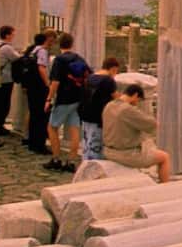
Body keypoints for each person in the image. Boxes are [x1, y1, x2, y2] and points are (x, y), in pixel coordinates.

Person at [102, 84, 171, 182]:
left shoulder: (109, 105)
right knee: (164, 157)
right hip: (124, 154)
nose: (137, 103)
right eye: (138, 100)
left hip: (108, 150)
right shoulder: (128, 110)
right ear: (135, 95)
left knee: (147, 142)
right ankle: (165, 188)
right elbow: (152, 124)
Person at [44, 32, 88, 170]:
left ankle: (56, 158)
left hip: (63, 99)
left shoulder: (59, 60)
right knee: (75, 129)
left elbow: (55, 82)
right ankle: (71, 161)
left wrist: (49, 99)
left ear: (59, 44)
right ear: (72, 44)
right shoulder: (80, 59)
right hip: (77, 98)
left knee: (52, 127)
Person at [77, 57, 123, 163]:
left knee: (86, 143)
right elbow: (116, 97)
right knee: (96, 146)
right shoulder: (108, 80)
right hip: (99, 117)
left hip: (86, 115)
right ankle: (94, 168)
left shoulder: (90, 77)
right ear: (113, 69)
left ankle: (85, 164)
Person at [20, 32, 54, 156]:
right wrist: (48, 84)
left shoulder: (32, 50)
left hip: (31, 87)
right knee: (41, 115)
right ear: (46, 40)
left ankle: (32, 142)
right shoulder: (42, 52)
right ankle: (39, 145)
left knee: (34, 114)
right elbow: (41, 68)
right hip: (39, 87)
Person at [0, 26, 22, 140]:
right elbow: (17, 58)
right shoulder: (7, 48)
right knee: (4, 103)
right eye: (12, 34)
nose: (14, 36)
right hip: (6, 79)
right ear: (7, 35)